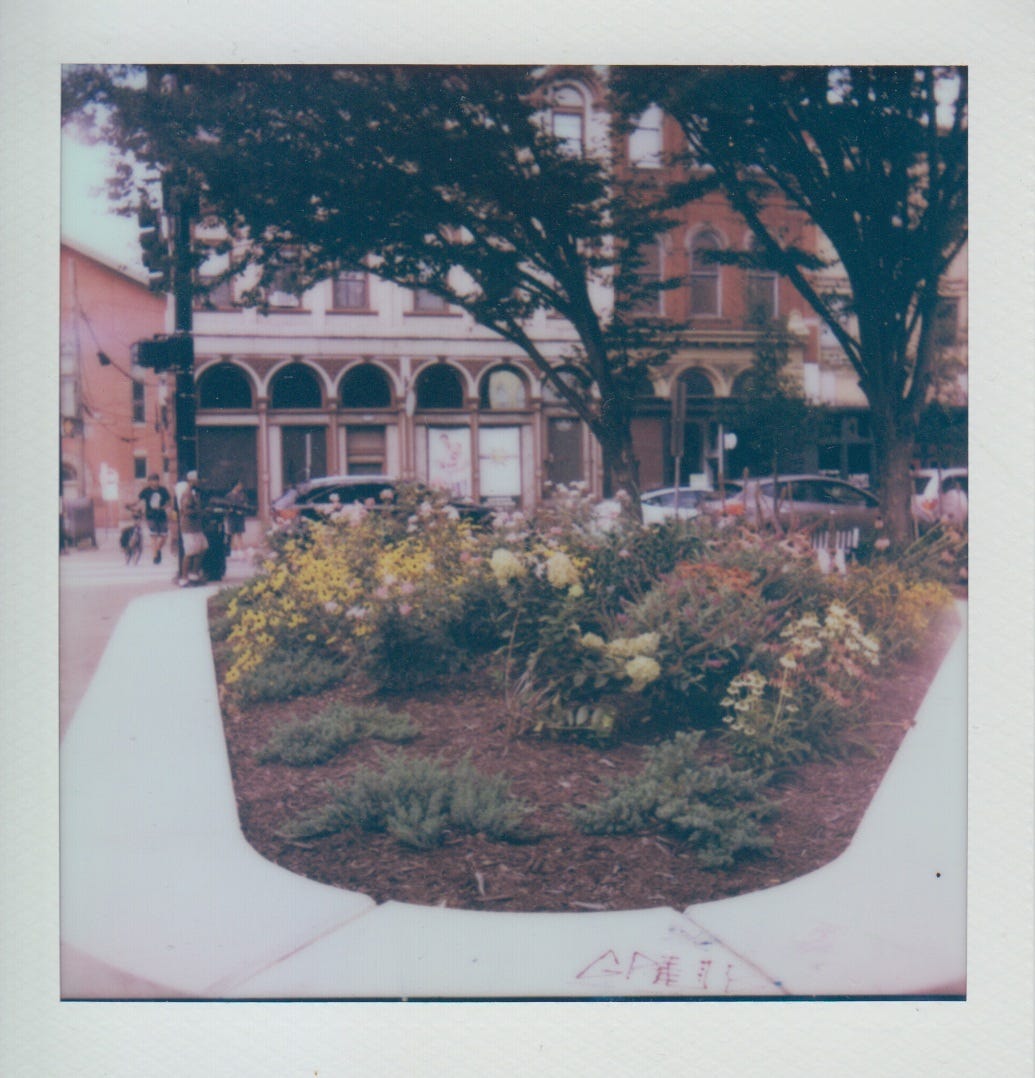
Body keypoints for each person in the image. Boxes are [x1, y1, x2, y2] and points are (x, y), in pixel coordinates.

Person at [176, 470, 208, 586]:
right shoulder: (187, 493)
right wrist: (200, 512)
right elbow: (186, 510)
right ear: (192, 480)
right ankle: (184, 579)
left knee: (203, 547)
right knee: (190, 552)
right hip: (189, 527)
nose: (200, 482)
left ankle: (193, 574)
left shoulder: (195, 492)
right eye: (198, 479)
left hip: (196, 526)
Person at [137, 473, 172, 565]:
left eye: (155, 480)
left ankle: (158, 549)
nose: (154, 482)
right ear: (149, 482)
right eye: (152, 480)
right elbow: (138, 500)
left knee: (164, 536)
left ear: (158, 481)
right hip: (150, 516)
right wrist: (131, 505)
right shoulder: (146, 491)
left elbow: (169, 503)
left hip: (161, 515)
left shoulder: (163, 490)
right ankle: (155, 556)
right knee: (154, 536)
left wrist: (163, 507)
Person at [223, 480, 249, 558]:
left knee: (239, 534)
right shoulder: (229, 495)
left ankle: (240, 549)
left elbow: (245, 504)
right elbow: (226, 507)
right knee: (231, 534)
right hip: (232, 517)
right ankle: (232, 550)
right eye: (239, 485)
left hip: (240, 517)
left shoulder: (242, 495)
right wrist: (231, 510)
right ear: (235, 486)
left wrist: (242, 510)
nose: (241, 487)